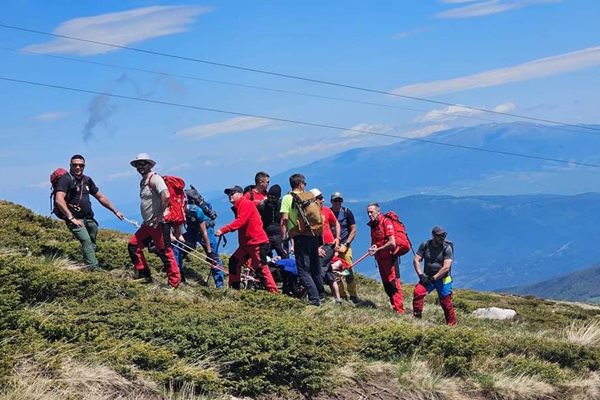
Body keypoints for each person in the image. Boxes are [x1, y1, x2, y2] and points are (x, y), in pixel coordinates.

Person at [53, 154, 124, 271]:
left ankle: (88, 262)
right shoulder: (65, 179)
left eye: (80, 165)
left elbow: (100, 197)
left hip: (89, 218)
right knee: (86, 241)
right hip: (74, 219)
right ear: (70, 166)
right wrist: (71, 218)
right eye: (75, 165)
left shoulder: (87, 180)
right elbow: (59, 200)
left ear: (84, 166)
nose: (78, 167)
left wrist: (115, 211)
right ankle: (94, 269)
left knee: (92, 242)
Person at [127, 153, 181, 288]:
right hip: (149, 224)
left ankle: (174, 283)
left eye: (143, 163)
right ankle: (144, 276)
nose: (140, 167)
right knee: (133, 245)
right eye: (138, 164)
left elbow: (166, 195)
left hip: (160, 224)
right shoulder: (143, 181)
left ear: (149, 165)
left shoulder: (155, 179)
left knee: (165, 252)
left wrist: (159, 215)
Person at [215, 185, 278, 293]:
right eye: (228, 194)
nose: (230, 196)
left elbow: (240, 221)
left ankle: (274, 293)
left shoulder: (246, 204)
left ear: (240, 194)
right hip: (248, 244)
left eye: (232, 193)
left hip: (256, 242)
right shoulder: (240, 205)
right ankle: (234, 290)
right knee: (234, 262)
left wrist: (223, 230)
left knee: (261, 268)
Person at [280, 173, 324, 306]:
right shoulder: (309, 196)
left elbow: (284, 219)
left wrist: (284, 238)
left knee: (303, 269)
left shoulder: (287, 198)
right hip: (314, 234)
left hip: (299, 236)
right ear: (301, 184)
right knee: (315, 267)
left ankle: (314, 299)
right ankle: (321, 295)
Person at [173, 199, 224, 288]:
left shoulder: (197, 211)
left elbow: (204, 232)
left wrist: (209, 252)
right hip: (192, 230)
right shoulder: (175, 210)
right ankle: (179, 277)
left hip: (206, 230)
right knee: (176, 248)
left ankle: (220, 286)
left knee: (214, 257)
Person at [412, 226, 456, 325]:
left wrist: (433, 278)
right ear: (433, 236)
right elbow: (416, 260)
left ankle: (452, 326)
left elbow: (446, 268)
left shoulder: (447, 248)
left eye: (444, 235)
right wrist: (421, 275)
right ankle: (417, 318)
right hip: (427, 277)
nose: (442, 237)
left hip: (443, 279)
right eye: (439, 236)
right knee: (418, 292)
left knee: (446, 303)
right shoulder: (425, 245)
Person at [367, 203, 403, 314]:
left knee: (394, 284)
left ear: (378, 211)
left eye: (371, 212)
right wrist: (374, 247)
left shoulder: (386, 222)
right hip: (380, 259)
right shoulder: (374, 224)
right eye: (368, 212)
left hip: (390, 259)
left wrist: (378, 249)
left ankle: (399, 311)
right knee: (387, 285)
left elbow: (392, 243)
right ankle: (394, 308)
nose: (369, 214)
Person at [311, 188, 342, 304]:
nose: (322, 200)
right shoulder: (310, 213)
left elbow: (336, 223)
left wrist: (337, 238)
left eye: (322, 198)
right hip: (320, 246)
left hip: (329, 245)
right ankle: (337, 298)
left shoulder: (327, 211)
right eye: (320, 198)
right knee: (328, 271)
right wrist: (317, 247)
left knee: (320, 271)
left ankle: (320, 296)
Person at [329, 191, 359, 303]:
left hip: (345, 247)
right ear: (331, 201)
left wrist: (346, 244)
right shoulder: (328, 212)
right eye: (335, 200)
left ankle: (353, 295)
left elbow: (353, 229)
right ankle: (341, 295)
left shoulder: (347, 212)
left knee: (348, 271)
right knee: (336, 272)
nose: (337, 202)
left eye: (339, 200)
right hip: (332, 247)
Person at [257, 184, 288, 259]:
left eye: (273, 198)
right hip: (266, 235)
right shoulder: (262, 206)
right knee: (265, 257)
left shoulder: (282, 205)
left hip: (279, 235)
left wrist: (284, 237)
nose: (270, 200)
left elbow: (285, 220)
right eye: (269, 197)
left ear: (278, 197)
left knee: (284, 257)